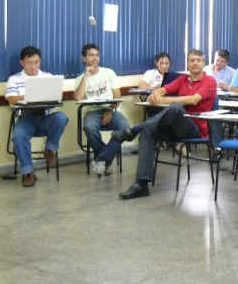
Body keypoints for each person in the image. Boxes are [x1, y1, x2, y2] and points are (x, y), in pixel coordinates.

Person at [115, 49, 217, 199]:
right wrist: (154, 94)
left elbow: (193, 100)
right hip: (174, 127)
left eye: (198, 60)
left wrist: (165, 100)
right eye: (191, 60)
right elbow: (163, 89)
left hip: (195, 128)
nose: (195, 63)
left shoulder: (209, 81)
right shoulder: (182, 80)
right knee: (148, 132)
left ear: (203, 63)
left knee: (176, 108)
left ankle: (134, 130)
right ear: (187, 63)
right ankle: (141, 185)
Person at [5, 46, 69, 187]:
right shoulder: (14, 79)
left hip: (44, 118)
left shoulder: (48, 77)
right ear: (22, 62)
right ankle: (28, 173)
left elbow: (57, 97)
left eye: (36, 62)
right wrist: (29, 96)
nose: (33, 66)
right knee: (18, 136)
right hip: (25, 119)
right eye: (29, 62)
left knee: (61, 117)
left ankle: (50, 148)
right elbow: (11, 100)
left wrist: (50, 98)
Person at [74, 43, 130, 177]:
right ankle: (107, 160)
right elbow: (77, 98)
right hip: (91, 112)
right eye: (91, 55)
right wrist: (86, 77)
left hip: (109, 109)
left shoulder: (109, 73)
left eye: (96, 55)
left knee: (124, 126)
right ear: (84, 58)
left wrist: (110, 111)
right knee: (89, 126)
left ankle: (101, 159)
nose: (94, 58)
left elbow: (117, 96)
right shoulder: (79, 79)